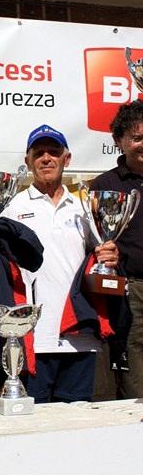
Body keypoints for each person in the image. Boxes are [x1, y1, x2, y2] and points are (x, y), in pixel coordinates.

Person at [0, 124, 118, 403]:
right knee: (34, 419)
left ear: (67, 158)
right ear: (28, 160)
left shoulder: (85, 207)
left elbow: (100, 253)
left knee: (76, 420)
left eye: (53, 152)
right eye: (38, 153)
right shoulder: (12, 207)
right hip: (33, 337)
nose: (46, 158)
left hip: (79, 336)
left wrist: (110, 257)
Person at [90, 100, 143, 399]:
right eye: (137, 138)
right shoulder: (104, 186)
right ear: (119, 141)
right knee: (136, 369)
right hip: (132, 290)